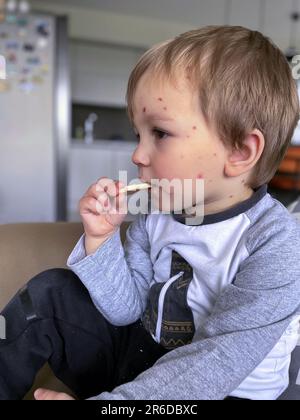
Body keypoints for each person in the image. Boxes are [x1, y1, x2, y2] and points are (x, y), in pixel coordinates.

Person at [1, 25, 300, 401]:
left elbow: (217, 360)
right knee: (51, 292)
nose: (137, 155)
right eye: (137, 134)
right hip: (143, 360)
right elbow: (125, 310)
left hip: (224, 387)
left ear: (240, 151)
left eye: (159, 133)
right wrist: (102, 238)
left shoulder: (276, 243)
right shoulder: (155, 216)